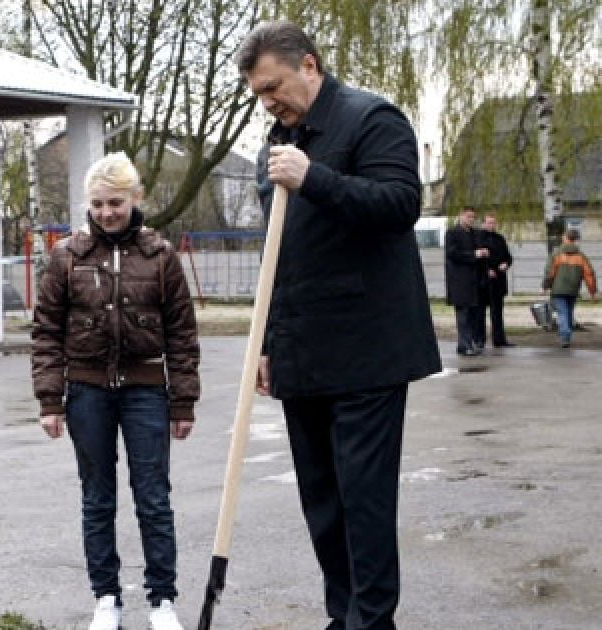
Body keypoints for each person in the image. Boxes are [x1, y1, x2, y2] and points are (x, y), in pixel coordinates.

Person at [241, 21, 441, 630]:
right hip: (303, 351)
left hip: (366, 350)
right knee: (323, 503)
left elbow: (400, 204)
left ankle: (371, 621)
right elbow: (281, 256)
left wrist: (315, 177)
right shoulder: (275, 145)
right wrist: (269, 344)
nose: (268, 101)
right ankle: (343, 614)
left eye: (274, 86)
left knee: (364, 499)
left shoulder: (371, 119)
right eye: (258, 93)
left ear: (310, 65)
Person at [32, 152, 199, 630]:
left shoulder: (161, 256)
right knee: (97, 498)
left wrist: (183, 400)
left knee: (153, 498)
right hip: (86, 392)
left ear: (136, 199)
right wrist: (49, 400)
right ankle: (106, 597)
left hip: (147, 391)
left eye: (116, 203)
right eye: (99, 203)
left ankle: (162, 600)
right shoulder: (67, 256)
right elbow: (46, 331)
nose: (107, 212)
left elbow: (182, 334)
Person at [445, 207, 490, 356]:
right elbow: (452, 254)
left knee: (473, 314)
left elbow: (480, 251)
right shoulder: (452, 233)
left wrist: (483, 253)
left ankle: (467, 343)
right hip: (460, 281)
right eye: (468, 217)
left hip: (474, 281)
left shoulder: (475, 233)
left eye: (473, 217)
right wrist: (474, 254)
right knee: (463, 315)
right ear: (461, 216)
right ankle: (464, 345)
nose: (471, 220)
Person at [542, 228, 597, 348]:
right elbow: (589, 274)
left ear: (566, 238)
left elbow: (550, 272)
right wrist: (592, 291)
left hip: (558, 289)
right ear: (575, 240)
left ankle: (565, 337)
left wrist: (545, 286)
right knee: (569, 312)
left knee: (562, 313)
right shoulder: (581, 256)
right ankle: (567, 335)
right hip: (573, 289)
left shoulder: (557, 254)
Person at [475, 213, 515, 348]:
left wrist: (506, 264)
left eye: (493, 223)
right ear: (483, 223)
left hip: (499, 280)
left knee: (497, 312)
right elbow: (476, 259)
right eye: (489, 223)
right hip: (483, 281)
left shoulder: (500, 238)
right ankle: (480, 340)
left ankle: (499, 339)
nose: (491, 225)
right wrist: (486, 270)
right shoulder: (477, 237)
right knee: (480, 312)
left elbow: (508, 257)